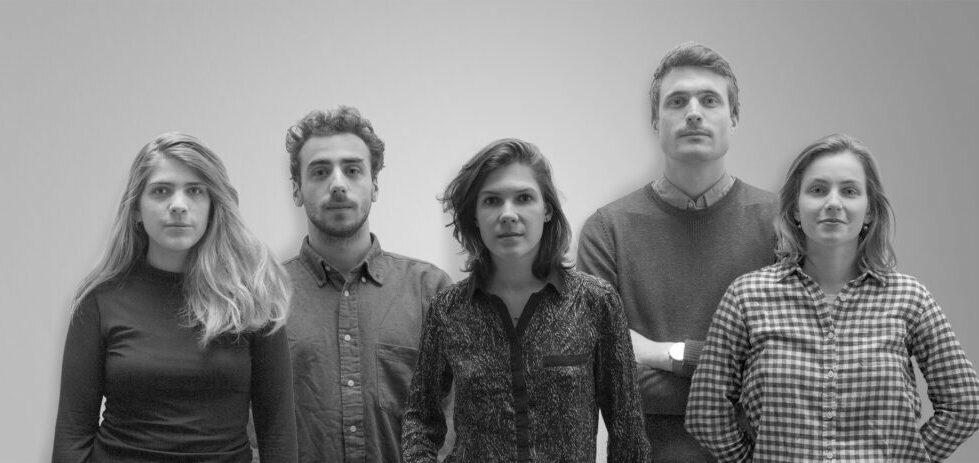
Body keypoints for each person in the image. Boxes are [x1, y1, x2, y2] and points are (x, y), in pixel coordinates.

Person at [686, 133, 979, 461]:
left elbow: (965, 405)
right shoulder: (746, 297)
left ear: (870, 211)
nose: (833, 203)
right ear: (795, 209)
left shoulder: (910, 299)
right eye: (818, 190)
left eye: (850, 191)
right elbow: (704, 412)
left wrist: (909, 457)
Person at [577, 42, 776, 461]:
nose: (693, 113)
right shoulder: (607, 230)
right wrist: (737, 379)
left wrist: (659, 353)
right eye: (677, 101)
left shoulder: (781, 226)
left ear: (734, 118)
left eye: (709, 100)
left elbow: (792, 372)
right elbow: (602, 376)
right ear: (655, 120)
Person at [52, 133, 297, 462]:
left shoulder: (254, 301)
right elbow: (71, 438)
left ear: (213, 206)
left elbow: (278, 434)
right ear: (136, 209)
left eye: (194, 191)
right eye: (161, 191)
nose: (178, 205)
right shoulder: (98, 301)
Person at [402, 138, 650, 462]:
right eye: (492, 201)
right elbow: (421, 419)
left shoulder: (596, 303)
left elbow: (627, 429)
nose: (508, 214)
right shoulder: (448, 311)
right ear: (474, 215)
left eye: (524, 198)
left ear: (546, 209)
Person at [282, 106, 453, 462]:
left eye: (353, 170)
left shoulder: (431, 291)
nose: (338, 184)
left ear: (374, 185)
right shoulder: (262, 295)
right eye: (320, 171)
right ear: (296, 190)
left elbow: (461, 414)